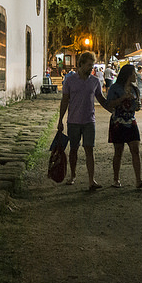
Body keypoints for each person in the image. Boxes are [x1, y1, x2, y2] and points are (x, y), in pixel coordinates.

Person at [58, 51, 109, 190]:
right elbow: (65, 101)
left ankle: (91, 180)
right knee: (73, 149)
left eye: (92, 65)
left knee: (89, 150)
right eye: (89, 65)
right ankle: (73, 174)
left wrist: (113, 110)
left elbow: (101, 99)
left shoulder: (94, 81)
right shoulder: (70, 80)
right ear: (80, 64)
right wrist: (60, 120)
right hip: (73, 121)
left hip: (89, 121)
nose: (91, 68)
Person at [106, 64, 142, 188]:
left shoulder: (135, 89)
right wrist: (122, 98)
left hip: (131, 120)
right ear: (127, 75)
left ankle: (138, 179)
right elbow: (109, 104)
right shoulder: (115, 88)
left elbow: (137, 105)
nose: (135, 76)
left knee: (135, 150)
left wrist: (137, 106)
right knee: (118, 151)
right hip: (118, 121)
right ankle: (116, 179)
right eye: (133, 74)